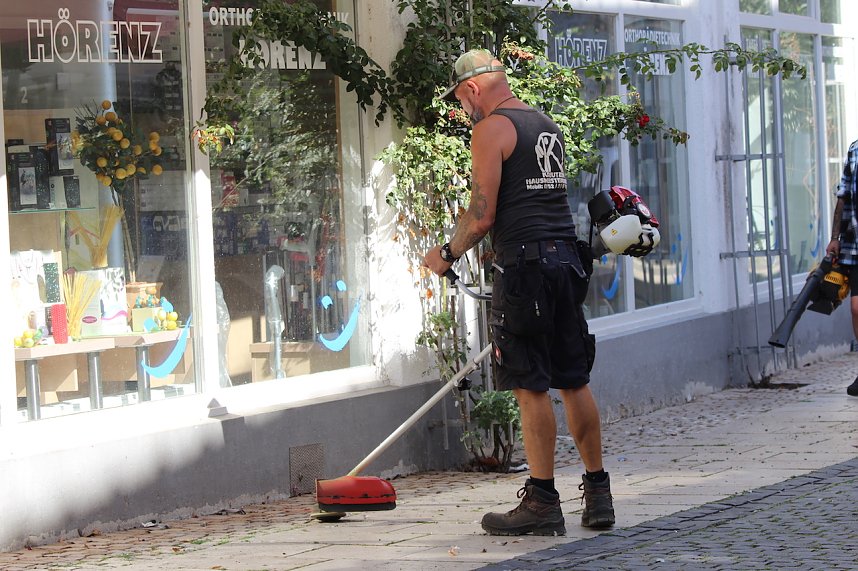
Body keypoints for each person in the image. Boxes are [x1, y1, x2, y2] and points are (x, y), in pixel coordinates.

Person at [422, 48, 615, 536]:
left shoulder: (491, 129)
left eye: (460, 99)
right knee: (573, 379)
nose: (463, 109)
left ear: (472, 88)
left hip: (526, 270)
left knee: (531, 386)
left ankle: (543, 502)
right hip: (566, 261)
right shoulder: (545, 123)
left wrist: (445, 253)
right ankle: (599, 495)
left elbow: (481, 214)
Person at [826, 137, 858, 397]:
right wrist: (835, 238)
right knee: (857, 309)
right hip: (857, 247)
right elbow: (843, 196)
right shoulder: (855, 150)